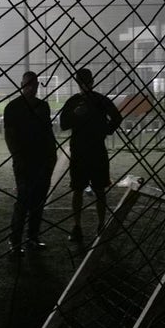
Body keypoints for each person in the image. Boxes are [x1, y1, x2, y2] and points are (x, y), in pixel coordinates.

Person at [60, 68, 123, 244]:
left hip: (84, 150)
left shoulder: (75, 101)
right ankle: (95, 225)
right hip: (92, 149)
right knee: (94, 189)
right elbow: (117, 118)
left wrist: (103, 130)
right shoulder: (99, 100)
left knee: (83, 189)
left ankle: (79, 226)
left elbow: (64, 124)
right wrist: (105, 131)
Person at [3, 71, 57, 255]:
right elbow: (9, 135)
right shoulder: (13, 107)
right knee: (24, 200)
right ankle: (15, 240)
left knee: (38, 200)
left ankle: (31, 237)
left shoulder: (42, 106)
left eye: (34, 84)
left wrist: (52, 155)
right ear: (22, 84)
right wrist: (18, 157)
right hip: (25, 161)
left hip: (42, 160)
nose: (32, 87)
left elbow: (48, 132)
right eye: (28, 84)